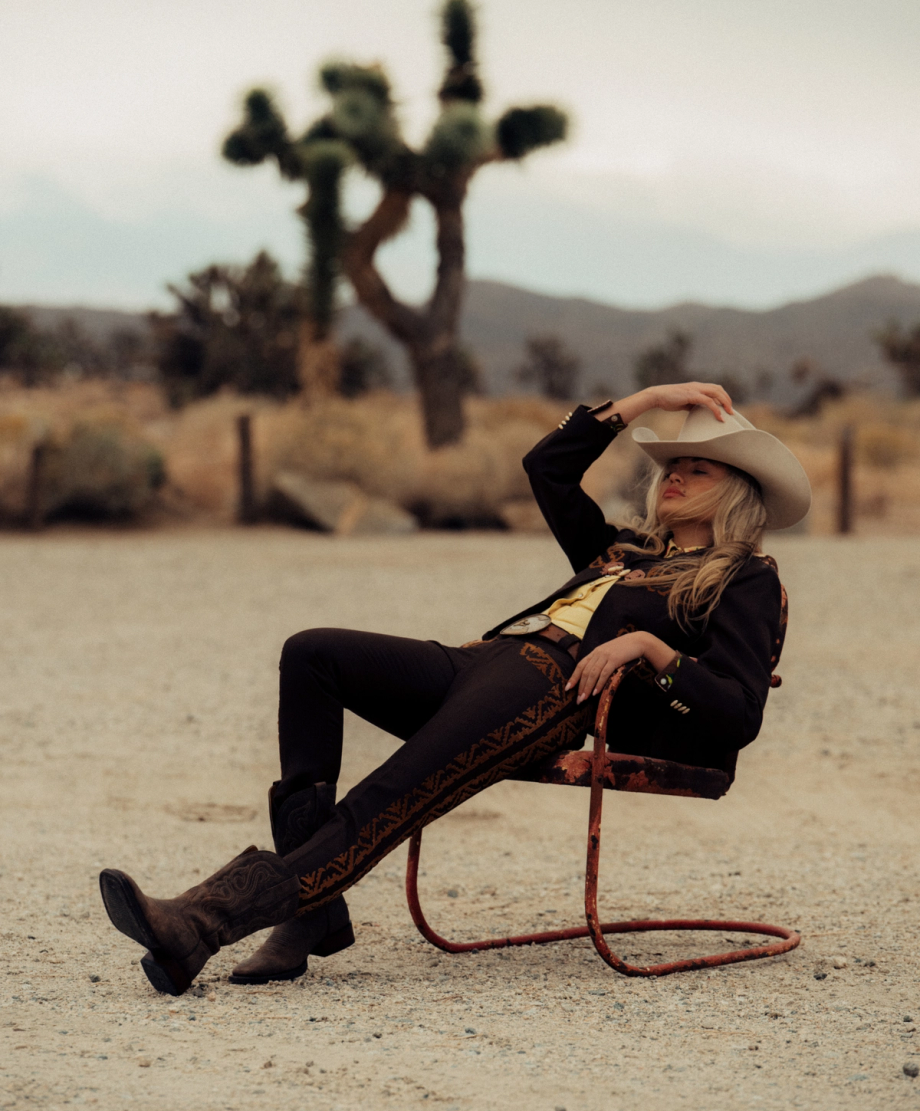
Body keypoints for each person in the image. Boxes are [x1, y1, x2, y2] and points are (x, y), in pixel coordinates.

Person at [99, 382, 811, 997]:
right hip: (484, 662)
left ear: (738, 494)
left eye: (699, 470)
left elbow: (737, 712)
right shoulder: (619, 552)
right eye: (673, 465)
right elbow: (548, 466)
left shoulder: (743, 578)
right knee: (313, 654)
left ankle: (198, 923)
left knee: (392, 791)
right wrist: (648, 401)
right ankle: (308, 913)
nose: (677, 477)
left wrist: (649, 646)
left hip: (550, 690)